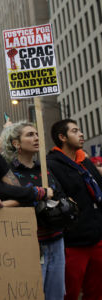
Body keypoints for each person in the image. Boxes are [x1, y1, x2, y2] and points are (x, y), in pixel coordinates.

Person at [1, 122, 66, 300]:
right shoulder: (8, 173)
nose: (36, 138)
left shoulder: (45, 169)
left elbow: (59, 194)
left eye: (37, 134)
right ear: (16, 144)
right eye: (30, 135)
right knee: (33, 293)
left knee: (56, 294)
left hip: (56, 239)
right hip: (28, 243)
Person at [47, 119, 102, 300]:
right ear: (62, 137)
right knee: (70, 293)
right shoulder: (52, 164)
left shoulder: (84, 161)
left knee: (96, 291)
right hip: (73, 243)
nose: (81, 134)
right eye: (75, 131)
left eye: (80, 130)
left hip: (97, 238)